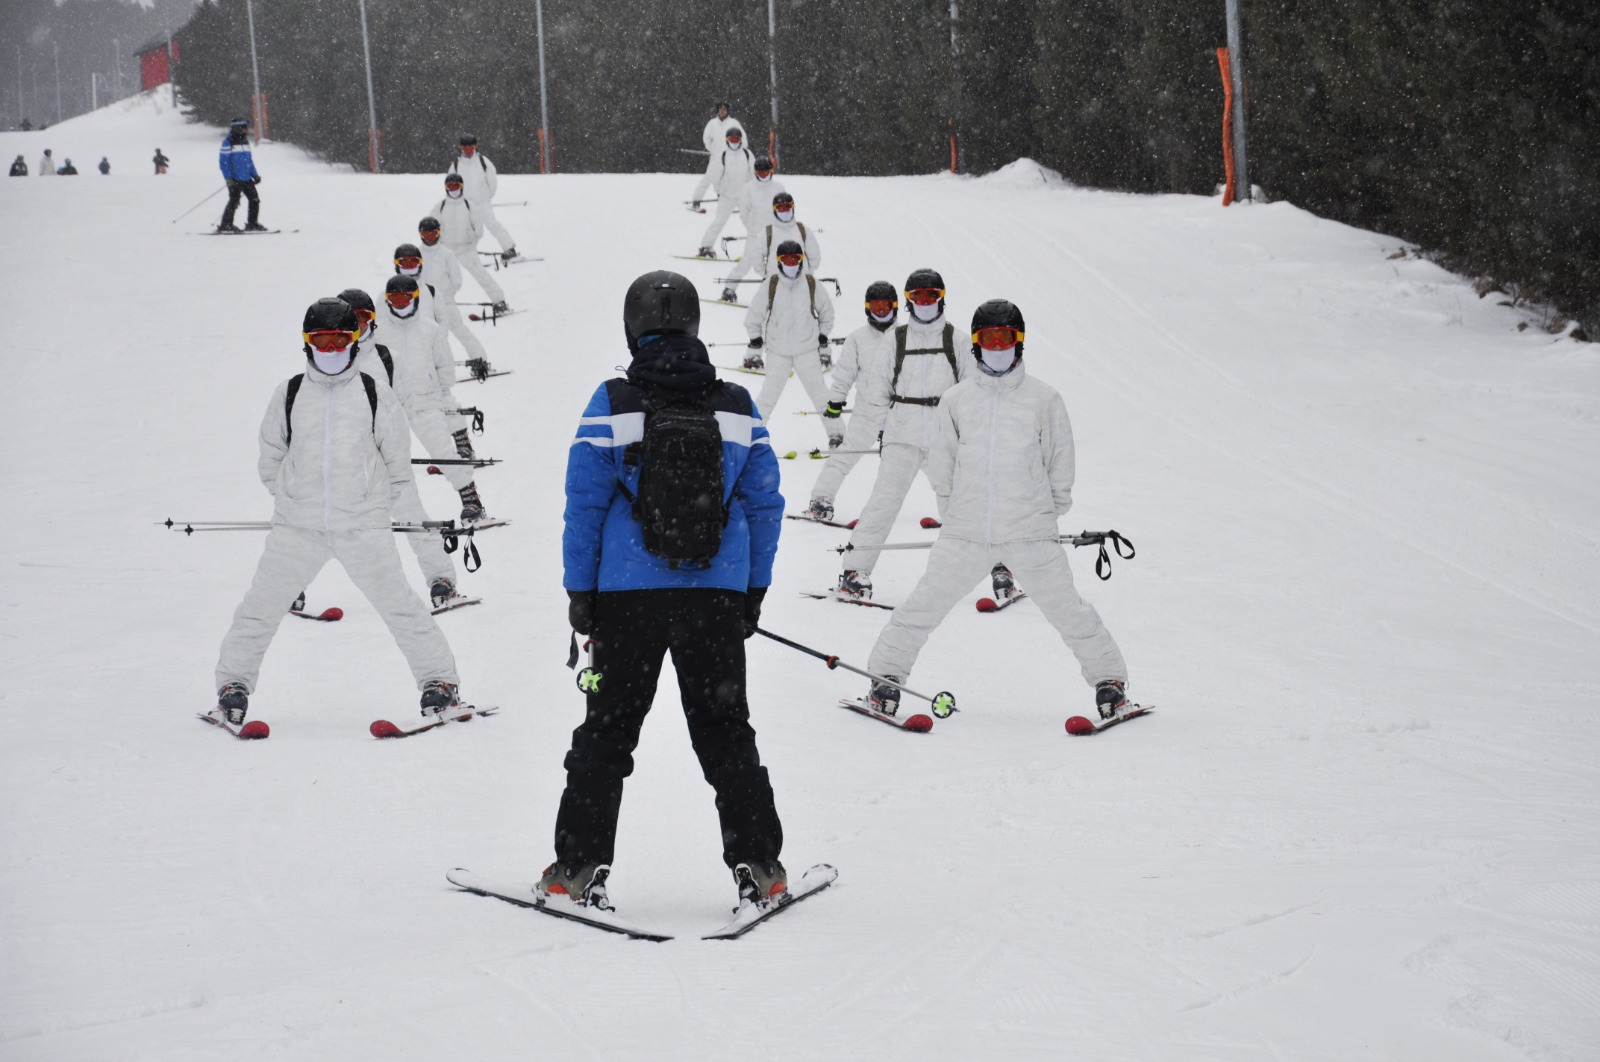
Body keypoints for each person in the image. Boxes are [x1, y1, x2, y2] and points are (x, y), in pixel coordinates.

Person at [546, 270, 786, 913]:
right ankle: (761, 865)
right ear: (695, 325)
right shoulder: (736, 403)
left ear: (633, 327)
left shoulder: (613, 400)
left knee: (606, 733)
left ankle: (576, 869)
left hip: (627, 599)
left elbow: (585, 502)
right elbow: (764, 503)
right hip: (713, 597)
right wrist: (752, 588)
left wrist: (581, 591)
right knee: (725, 732)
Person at [861, 300, 1131, 725]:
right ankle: (885, 679)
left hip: (1031, 534)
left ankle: (1110, 684)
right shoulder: (956, 400)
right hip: (965, 535)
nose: (998, 347)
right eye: (989, 339)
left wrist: (1044, 511)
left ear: (1019, 343)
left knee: (1069, 611)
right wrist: (957, 512)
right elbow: (943, 465)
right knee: (921, 607)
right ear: (976, 344)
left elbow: (1061, 461)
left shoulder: (1044, 399)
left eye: (1006, 338)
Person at [211, 298, 463, 728]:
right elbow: (270, 459)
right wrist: (294, 498)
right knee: (261, 607)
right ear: (307, 344)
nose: (331, 349)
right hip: (297, 528)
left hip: (362, 527)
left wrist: (369, 504)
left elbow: (397, 464)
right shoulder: (290, 393)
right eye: (321, 340)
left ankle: (439, 683)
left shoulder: (373, 392)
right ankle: (232, 686)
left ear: (354, 341)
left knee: (401, 606)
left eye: (340, 339)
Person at [834, 268, 971, 601]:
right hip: (902, 435)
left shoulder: (957, 340)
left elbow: (972, 391)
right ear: (908, 302)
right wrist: (885, 425)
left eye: (931, 296)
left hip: (942, 436)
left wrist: (965, 433)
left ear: (941, 299)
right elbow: (875, 389)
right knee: (883, 503)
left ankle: (999, 567)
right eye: (918, 297)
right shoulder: (896, 339)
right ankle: (855, 569)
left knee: (960, 502)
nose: (925, 303)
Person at [338, 287, 464, 608]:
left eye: (363, 318)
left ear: (373, 320)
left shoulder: (387, 359)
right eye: (349, 320)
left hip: (389, 460)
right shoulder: (328, 364)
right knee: (328, 522)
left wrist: (393, 446)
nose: (357, 326)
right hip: (345, 463)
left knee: (411, 517)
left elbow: (406, 407)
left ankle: (441, 579)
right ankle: (294, 586)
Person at [381, 274, 490, 525]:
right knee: (382, 458)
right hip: (392, 405)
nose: (400, 304)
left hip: (426, 401)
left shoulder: (430, 329)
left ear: (416, 298)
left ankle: (470, 498)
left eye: (405, 298)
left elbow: (444, 368)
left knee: (442, 451)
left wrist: (440, 397)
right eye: (394, 299)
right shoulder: (380, 333)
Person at [805, 281, 900, 519]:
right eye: (875, 305)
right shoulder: (858, 338)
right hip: (867, 412)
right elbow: (845, 372)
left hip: (902, 412)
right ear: (867, 308)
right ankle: (821, 498)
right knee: (846, 454)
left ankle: (956, 507)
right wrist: (836, 400)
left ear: (895, 306)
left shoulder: (907, 336)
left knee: (929, 457)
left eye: (885, 305)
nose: (880, 311)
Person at [743, 241, 835, 447]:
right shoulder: (771, 284)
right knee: (768, 396)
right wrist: (755, 338)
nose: (791, 263)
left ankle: (837, 434)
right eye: (786, 260)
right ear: (778, 262)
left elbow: (827, 312)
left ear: (802, 260)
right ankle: (751, 434)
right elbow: (753, 316)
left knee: (821, 395)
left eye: (795, 259)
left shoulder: (811, 283)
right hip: (778, 351)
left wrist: (822, 336)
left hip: (807, 350)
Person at [416, 215, 494, 370]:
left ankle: (479, 359)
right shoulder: (416, 255)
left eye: (433, 233)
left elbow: (456, 280)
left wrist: (444, 296)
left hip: (446, 303)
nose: (430, 237)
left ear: (439, 233)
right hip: (423, 306)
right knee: (425, 338)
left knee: (460, 330)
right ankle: (427, 368)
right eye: (426, 234)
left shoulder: (446, 254)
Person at [434, 172, 508, 314]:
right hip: (446, 250)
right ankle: (434, 305)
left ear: (462, 187)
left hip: (466, 249)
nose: (453, 189)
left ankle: (499, 300)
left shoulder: (469, 205)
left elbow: (479, 229)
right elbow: (431, 227)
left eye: (456, 186)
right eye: (450, 186)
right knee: (437, 277)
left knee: (480, 274)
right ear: (446, 188)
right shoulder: (440, 207)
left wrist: (470, 238)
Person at [715, 155, 785, 302]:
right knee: (746, 262)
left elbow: (785, 211)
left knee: (776, 264)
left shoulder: (779, 188)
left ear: (771, 171)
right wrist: (753, 228)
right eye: (760, 173)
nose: (763, 175)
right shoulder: (748, 188)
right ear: (755, 173)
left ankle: (775, 295)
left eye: (766, 172)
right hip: (755, 236)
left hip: (776, 234)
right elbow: (744, 212)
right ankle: (729, 289)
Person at [448, 134, 518, 260]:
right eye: (465, 147)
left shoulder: (483, 162)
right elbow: (450, 184)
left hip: (482, 203)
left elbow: (492, 182)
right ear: (461, 147)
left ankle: (509, 248)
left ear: (475, 147)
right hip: (465, 205)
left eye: (471, 146)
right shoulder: (456, 165)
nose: (468, 149)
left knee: (493, 225)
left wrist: (486, 197)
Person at [695, 126, 753, 258]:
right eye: (731, 139)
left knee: (751, 222)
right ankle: (706, 247)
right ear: (726, 140)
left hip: (744, 197)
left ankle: (760, 248)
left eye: (736, 139)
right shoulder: (723, 155)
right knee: (719, 221)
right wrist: (719, 191)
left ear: (741, 140)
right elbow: (715, 176)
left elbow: (754, 175)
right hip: (727, 197)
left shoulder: (747, 154)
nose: (734, 141)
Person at [218, 117, 265, 232]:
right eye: (244, 127)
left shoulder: (245, 141)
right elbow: (224, 163)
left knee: (254, 200)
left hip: (246, 178)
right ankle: (226, 225)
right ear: (237, 128)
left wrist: (255, 175)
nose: (247, 129)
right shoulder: (228, 142)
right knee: (234, 201)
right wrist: (228, 178)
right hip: (235, 178)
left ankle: (252, 224)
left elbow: (249, 161)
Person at [689, 101, 739, 208]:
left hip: (730, 158)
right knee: (708, 178)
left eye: (724, 109)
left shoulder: (734, 123)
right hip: (716, 158)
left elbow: (741, 138)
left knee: (731, 180)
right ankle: (696, 200)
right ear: (718, 110)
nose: (722, 111)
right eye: (720, 109)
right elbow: (706, 138)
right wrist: (712, 149)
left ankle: (731, 200)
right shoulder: (712, 123)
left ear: (728, 111)